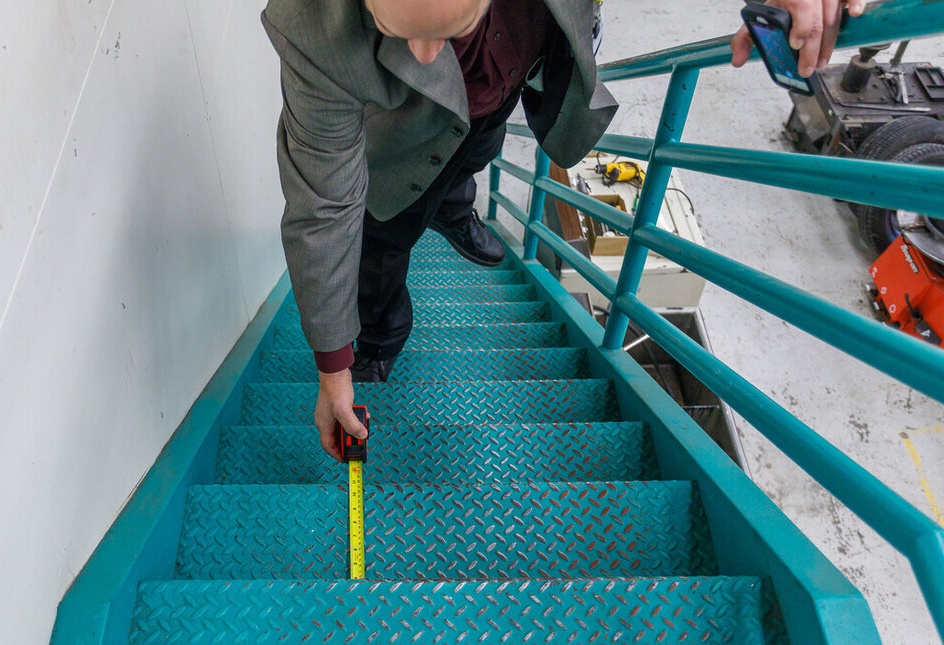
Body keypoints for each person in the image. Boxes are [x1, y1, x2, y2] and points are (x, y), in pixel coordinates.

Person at [261, 0, 864, 461]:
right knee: (382, 245)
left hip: (507, 82)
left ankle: (453, 205)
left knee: (476, 147)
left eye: (450, 25)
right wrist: (334, 368)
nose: (425, 57)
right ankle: (380, 339)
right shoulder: (312, 30)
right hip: (400, 147)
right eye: (401, 26)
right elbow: (324, 205)